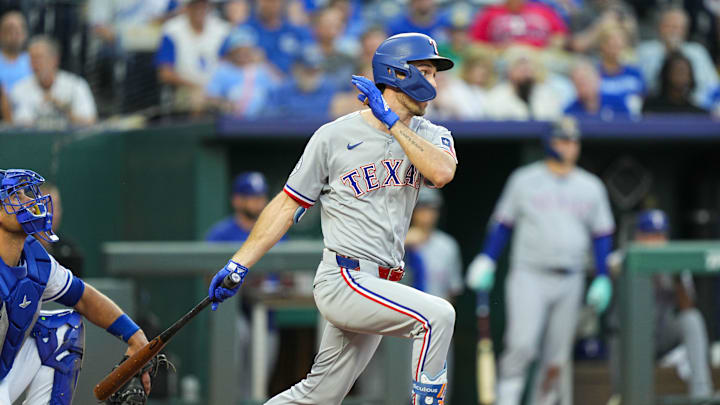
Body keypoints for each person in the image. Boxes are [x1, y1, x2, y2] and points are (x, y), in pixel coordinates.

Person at [208, 32, 458, 405]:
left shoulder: (432, 134)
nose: (433, 82)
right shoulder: (335, 135)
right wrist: (239, 263)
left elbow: (441, 173)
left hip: (382, 280)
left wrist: (391, 121)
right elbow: (286, 204)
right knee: (437, 316)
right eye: (426, 70)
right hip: (345, 278)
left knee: (318, 396)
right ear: (399, 74)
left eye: (435, 74)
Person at [466, 117, 615, 405]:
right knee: (521, 347)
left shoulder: (590, 186)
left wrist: (602, 276)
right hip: (529, 275)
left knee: (557, 358)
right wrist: (488, 258)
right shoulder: (525, 180)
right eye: (563, 140)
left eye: (573, 141)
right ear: (549, 143)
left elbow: (602, 234)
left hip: (571, 278)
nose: (569, 147)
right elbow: (503, 223)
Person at [0, 168, 151, 403]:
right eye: (16, 196)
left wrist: (137, 338)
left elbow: (84, 297)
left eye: (27, 194)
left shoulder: (35, 258)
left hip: (4, 374)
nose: (30, 201)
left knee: (62, 331)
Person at [607, 210, 713, 400]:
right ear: (639, 236)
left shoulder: (674, 260)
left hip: (662, 333)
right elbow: (612, 266)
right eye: (650, 235)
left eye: (659, 235)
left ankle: (701, 394)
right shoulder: (623, 257)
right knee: (623, 395)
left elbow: (687, 306)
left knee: (691, 320)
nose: (655, 241)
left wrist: (676, 274)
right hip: (629, 337)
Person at [636, 6, 719, 108]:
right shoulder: (644, 51)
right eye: (668, 26)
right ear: (659, 27)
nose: (673, 31)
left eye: (678, 27)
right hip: (655, 106)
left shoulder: (697, 52)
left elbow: (712, 86)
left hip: (693, 108)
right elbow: (639, 84)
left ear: (686, 30)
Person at [155, 0, 230, 111]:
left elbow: (230, 65)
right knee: (196, 99)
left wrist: (215, 89)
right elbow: (165, 73)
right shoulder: (171, 30)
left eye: (203, 5)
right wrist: (195, 86)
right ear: (186, 7)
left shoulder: (222, 29)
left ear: (209, 7)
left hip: (219, 89)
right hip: (185, 88)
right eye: (195, 5)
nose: (199, 9)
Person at [8, 36, 97, 128]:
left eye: (39, 58)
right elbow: (19, 125)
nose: (34, 63)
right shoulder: (19, 88)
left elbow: (90, 121)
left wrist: (64, 110)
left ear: (54, 60)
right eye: (31, 58)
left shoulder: (76, 85)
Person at [204, 27, 278, 118]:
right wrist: (224, 104)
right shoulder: (223, 70)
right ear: (232, 52)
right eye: (239, 51)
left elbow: (278, 92)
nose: (242, 54)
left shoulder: (262, 70)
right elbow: (210, 97)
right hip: (232, 123)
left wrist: (264, 61)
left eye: (246, 51)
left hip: (263, 122)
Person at [485, 46, 562, 120]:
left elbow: (555, 122)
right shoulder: (497, 95)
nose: (525, 69)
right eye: (519, 65)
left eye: (528, 65)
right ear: (509, 70)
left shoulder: (547, 94)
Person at [264, 47, 339, 119]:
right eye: (307, 71)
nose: (311, 76)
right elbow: (270, 122)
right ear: (296, 70)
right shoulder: (280, 93)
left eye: (315, 72)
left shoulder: (331, 91)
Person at [469, 0, 568, 49]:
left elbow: (560, 35)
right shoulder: (489, 13)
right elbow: (477, 44)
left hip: (541, 57)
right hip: (502, 58)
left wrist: (550, 48)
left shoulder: (543, 10)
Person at [206, 172, 272, 242]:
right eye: (255, 198)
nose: (260, 203)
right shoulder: (220, 235)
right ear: (237, 200)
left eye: (262, 197)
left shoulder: (275, 230)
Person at [596, 24, 645, 117]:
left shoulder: (634, 73)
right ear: (601, 45)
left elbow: (642, 100)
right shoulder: (593, 74)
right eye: (610, 41)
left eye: (618, 41)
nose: (615, 44)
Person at [37, 182, 84, 277]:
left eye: (56, 207)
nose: (53, 213)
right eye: (48, 207)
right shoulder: (22, 248)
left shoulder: (71, 252)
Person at [643, 51, 708, 114]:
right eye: (678, 71)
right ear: (666, 74)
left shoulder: (698, 114)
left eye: (685, 73)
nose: (681, 77)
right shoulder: (650, 109)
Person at [564, 59, 631, 119]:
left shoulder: (617, 102)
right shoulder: (570, 112)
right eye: (579, 82)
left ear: (598, 79)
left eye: (587, 80)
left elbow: (630, 126)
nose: (584, 86)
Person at [0, 11, 31, 94]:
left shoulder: (33, 61)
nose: (13, 35)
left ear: (25, 34)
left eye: (18, 31)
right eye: (9, 30)